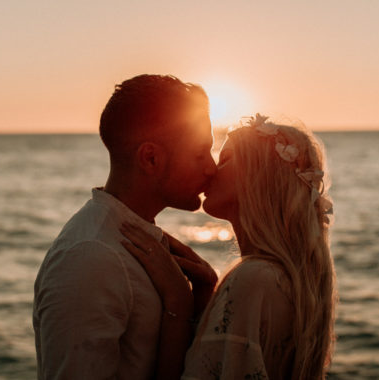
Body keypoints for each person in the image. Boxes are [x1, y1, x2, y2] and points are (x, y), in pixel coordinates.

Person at [121, 114, 337, 379]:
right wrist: (203, 298)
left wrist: (176, 299)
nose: (211, 169)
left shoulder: (255, 279)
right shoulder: (284, 278)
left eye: (224, 160)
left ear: (258, 174)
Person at [32, 74, 219, 380]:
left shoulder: (134, 243)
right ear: (151, 158)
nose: (211, 168)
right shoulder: (91, 258)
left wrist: (200, 297)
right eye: (200, 153)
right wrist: (178, 307)